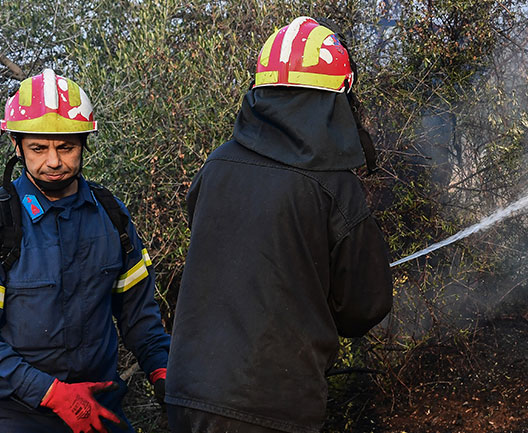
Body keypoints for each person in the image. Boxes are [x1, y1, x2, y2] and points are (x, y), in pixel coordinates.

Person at [165, 16, 393, 433]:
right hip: (273, 409)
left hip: (187, 396)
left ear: (260, 92)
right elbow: (364, 308)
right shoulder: (333, 187)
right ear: (337, 99)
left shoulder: (215, 166)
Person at [0, 69, 170, 433]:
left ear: (84, 144)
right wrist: (51, 393)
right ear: (16, 145)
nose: (54, 162)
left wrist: (164, 370)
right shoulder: (3, 223)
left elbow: (139, 315)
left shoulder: (111, 215)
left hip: (102, 411)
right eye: (38, 148)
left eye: (66, 147)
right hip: (18, 415)